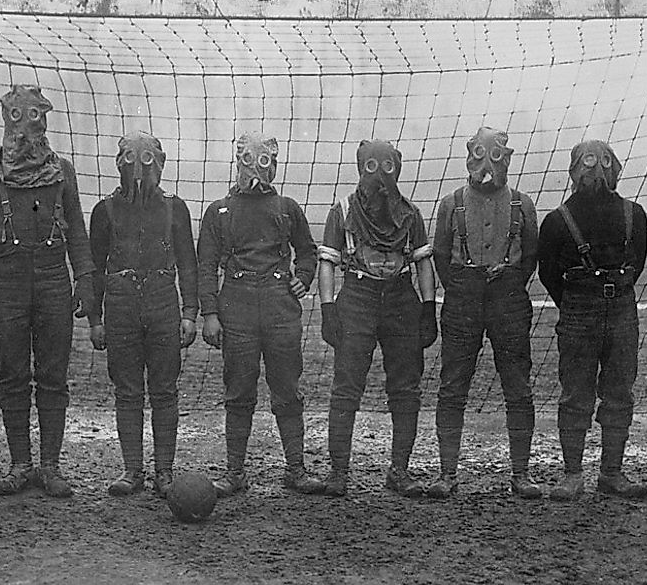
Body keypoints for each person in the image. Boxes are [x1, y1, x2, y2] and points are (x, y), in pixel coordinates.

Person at [0, 85, 93, 498]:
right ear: (5, 120)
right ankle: (20, 465)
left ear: (45, 120)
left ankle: (49, 467)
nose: (26, 129)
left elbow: (78, 230)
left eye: (34, 117)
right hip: (7, 280)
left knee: (53, 375)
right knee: (12, 373)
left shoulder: (63, 171)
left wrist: (84, 279)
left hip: (52, 278)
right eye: (17, 117)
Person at [198, 133, 325, 497]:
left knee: (286, 388)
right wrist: (210, 313)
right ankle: (235, 472)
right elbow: (206, 266)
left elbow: (307, 251)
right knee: (238, 390)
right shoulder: (219, 211)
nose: (256, 168)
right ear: (238, 162)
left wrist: (302, 278)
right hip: (235, 305)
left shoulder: (287, 207)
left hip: (279, 306)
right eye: (250, 160)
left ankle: (296, 469)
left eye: (264, 160)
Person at [317, 139, 438, 498]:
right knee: (346, 385)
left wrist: (428, 308)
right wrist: (328, 309)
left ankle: (399, 470)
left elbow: (422, 261)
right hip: (358, 296)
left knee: (406, 387)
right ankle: (338, 471)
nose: (380, 176)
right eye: (371, 166)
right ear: (360, 168)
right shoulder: (342, 211)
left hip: (401, 298)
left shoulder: (411, 214)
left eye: (387, 167)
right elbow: (328, 260)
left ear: (397, 169)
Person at [428, 127, 540, 499]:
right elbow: (441, 257)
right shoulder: (450, 204)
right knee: (453, 386)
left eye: (496, 157)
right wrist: (464, 285)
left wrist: (506, 278)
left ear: (507, 160)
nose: (487, 166)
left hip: (508, 300)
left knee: (518, 387)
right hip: (463, 299)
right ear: (468, 158)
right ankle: (447, 473)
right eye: (480, 156)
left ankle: (521, 474)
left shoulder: (523, 205)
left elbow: (531, 260)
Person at [87, 131, 198, 498]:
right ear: (118, 163)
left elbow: (188, 263)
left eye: (148, 160)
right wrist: (95, 320)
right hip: (120, 304)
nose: (138, 168)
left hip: (163, 300)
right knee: (128, 391)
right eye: (130, 159)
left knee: (165, 389)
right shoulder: (104, 210)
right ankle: (133, 470)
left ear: (161, 164)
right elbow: (95, 265)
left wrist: (189, 314)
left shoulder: (174, 207)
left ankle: (163, 472)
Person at [538, 139, 647, 501]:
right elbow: (548, 273)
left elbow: (638, 261)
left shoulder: (636, 214)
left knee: (619, 392)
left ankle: (611, 473)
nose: (596, 171)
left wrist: (612, 293)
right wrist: (575, 302)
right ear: (573, 171)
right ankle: (572, 474)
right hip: (578, 315)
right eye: (587, 162)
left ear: (616, 169)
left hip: (621, 312)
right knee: (575, 394)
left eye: (604, 162)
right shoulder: (556, 222)